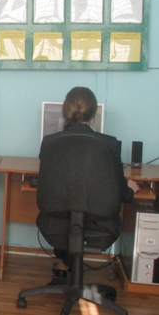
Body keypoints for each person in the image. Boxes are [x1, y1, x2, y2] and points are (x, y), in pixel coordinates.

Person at [36, 86, 139, 284]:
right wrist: (130, 191)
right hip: (100, 226)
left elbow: (46, 186)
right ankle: (67, 266)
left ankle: (65, 264)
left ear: (65, 111)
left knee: (65, 215)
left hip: (54, 225)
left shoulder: (49, 142)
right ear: (93, 113)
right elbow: (121, 192)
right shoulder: (109, 144)